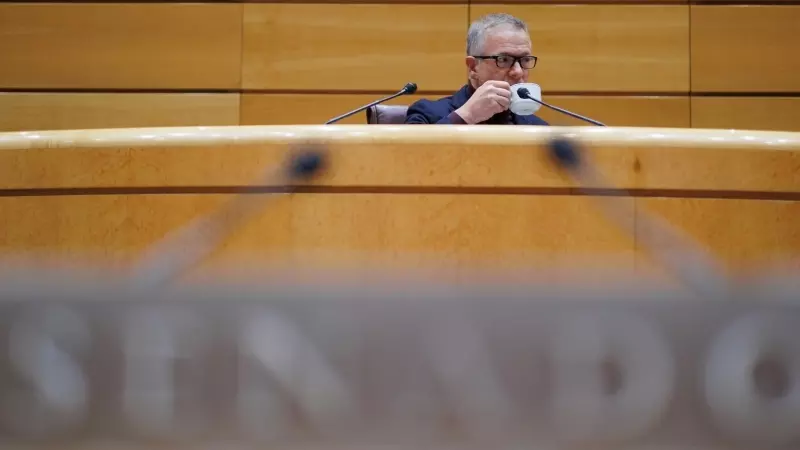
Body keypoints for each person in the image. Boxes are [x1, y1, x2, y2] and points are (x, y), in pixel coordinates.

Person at [405, 13, 548, 126]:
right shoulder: (427, 114)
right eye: (503, 60)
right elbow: (407, 159)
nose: (518, 71)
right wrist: (467, 115)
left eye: (524, 60)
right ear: (473, 66)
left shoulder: (537, 128)